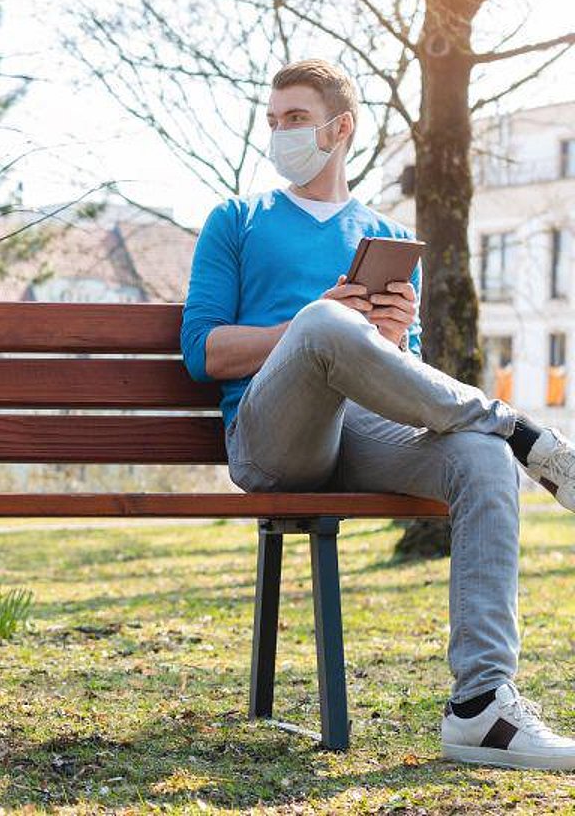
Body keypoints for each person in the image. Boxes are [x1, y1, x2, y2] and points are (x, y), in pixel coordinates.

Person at [181, 58, 575, 770]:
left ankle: (481, 707)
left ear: (341, 128)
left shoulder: (387, 237)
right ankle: (523, 430)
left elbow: (407, 381)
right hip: (274, 441)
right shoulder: (236, 221)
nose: (279, 134)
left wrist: (392, 337)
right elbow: (203, 352)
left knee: (480, 456)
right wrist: (314, 325)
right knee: (324, 326)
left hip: (365, 433)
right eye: (271, 122)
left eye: (295, 120)